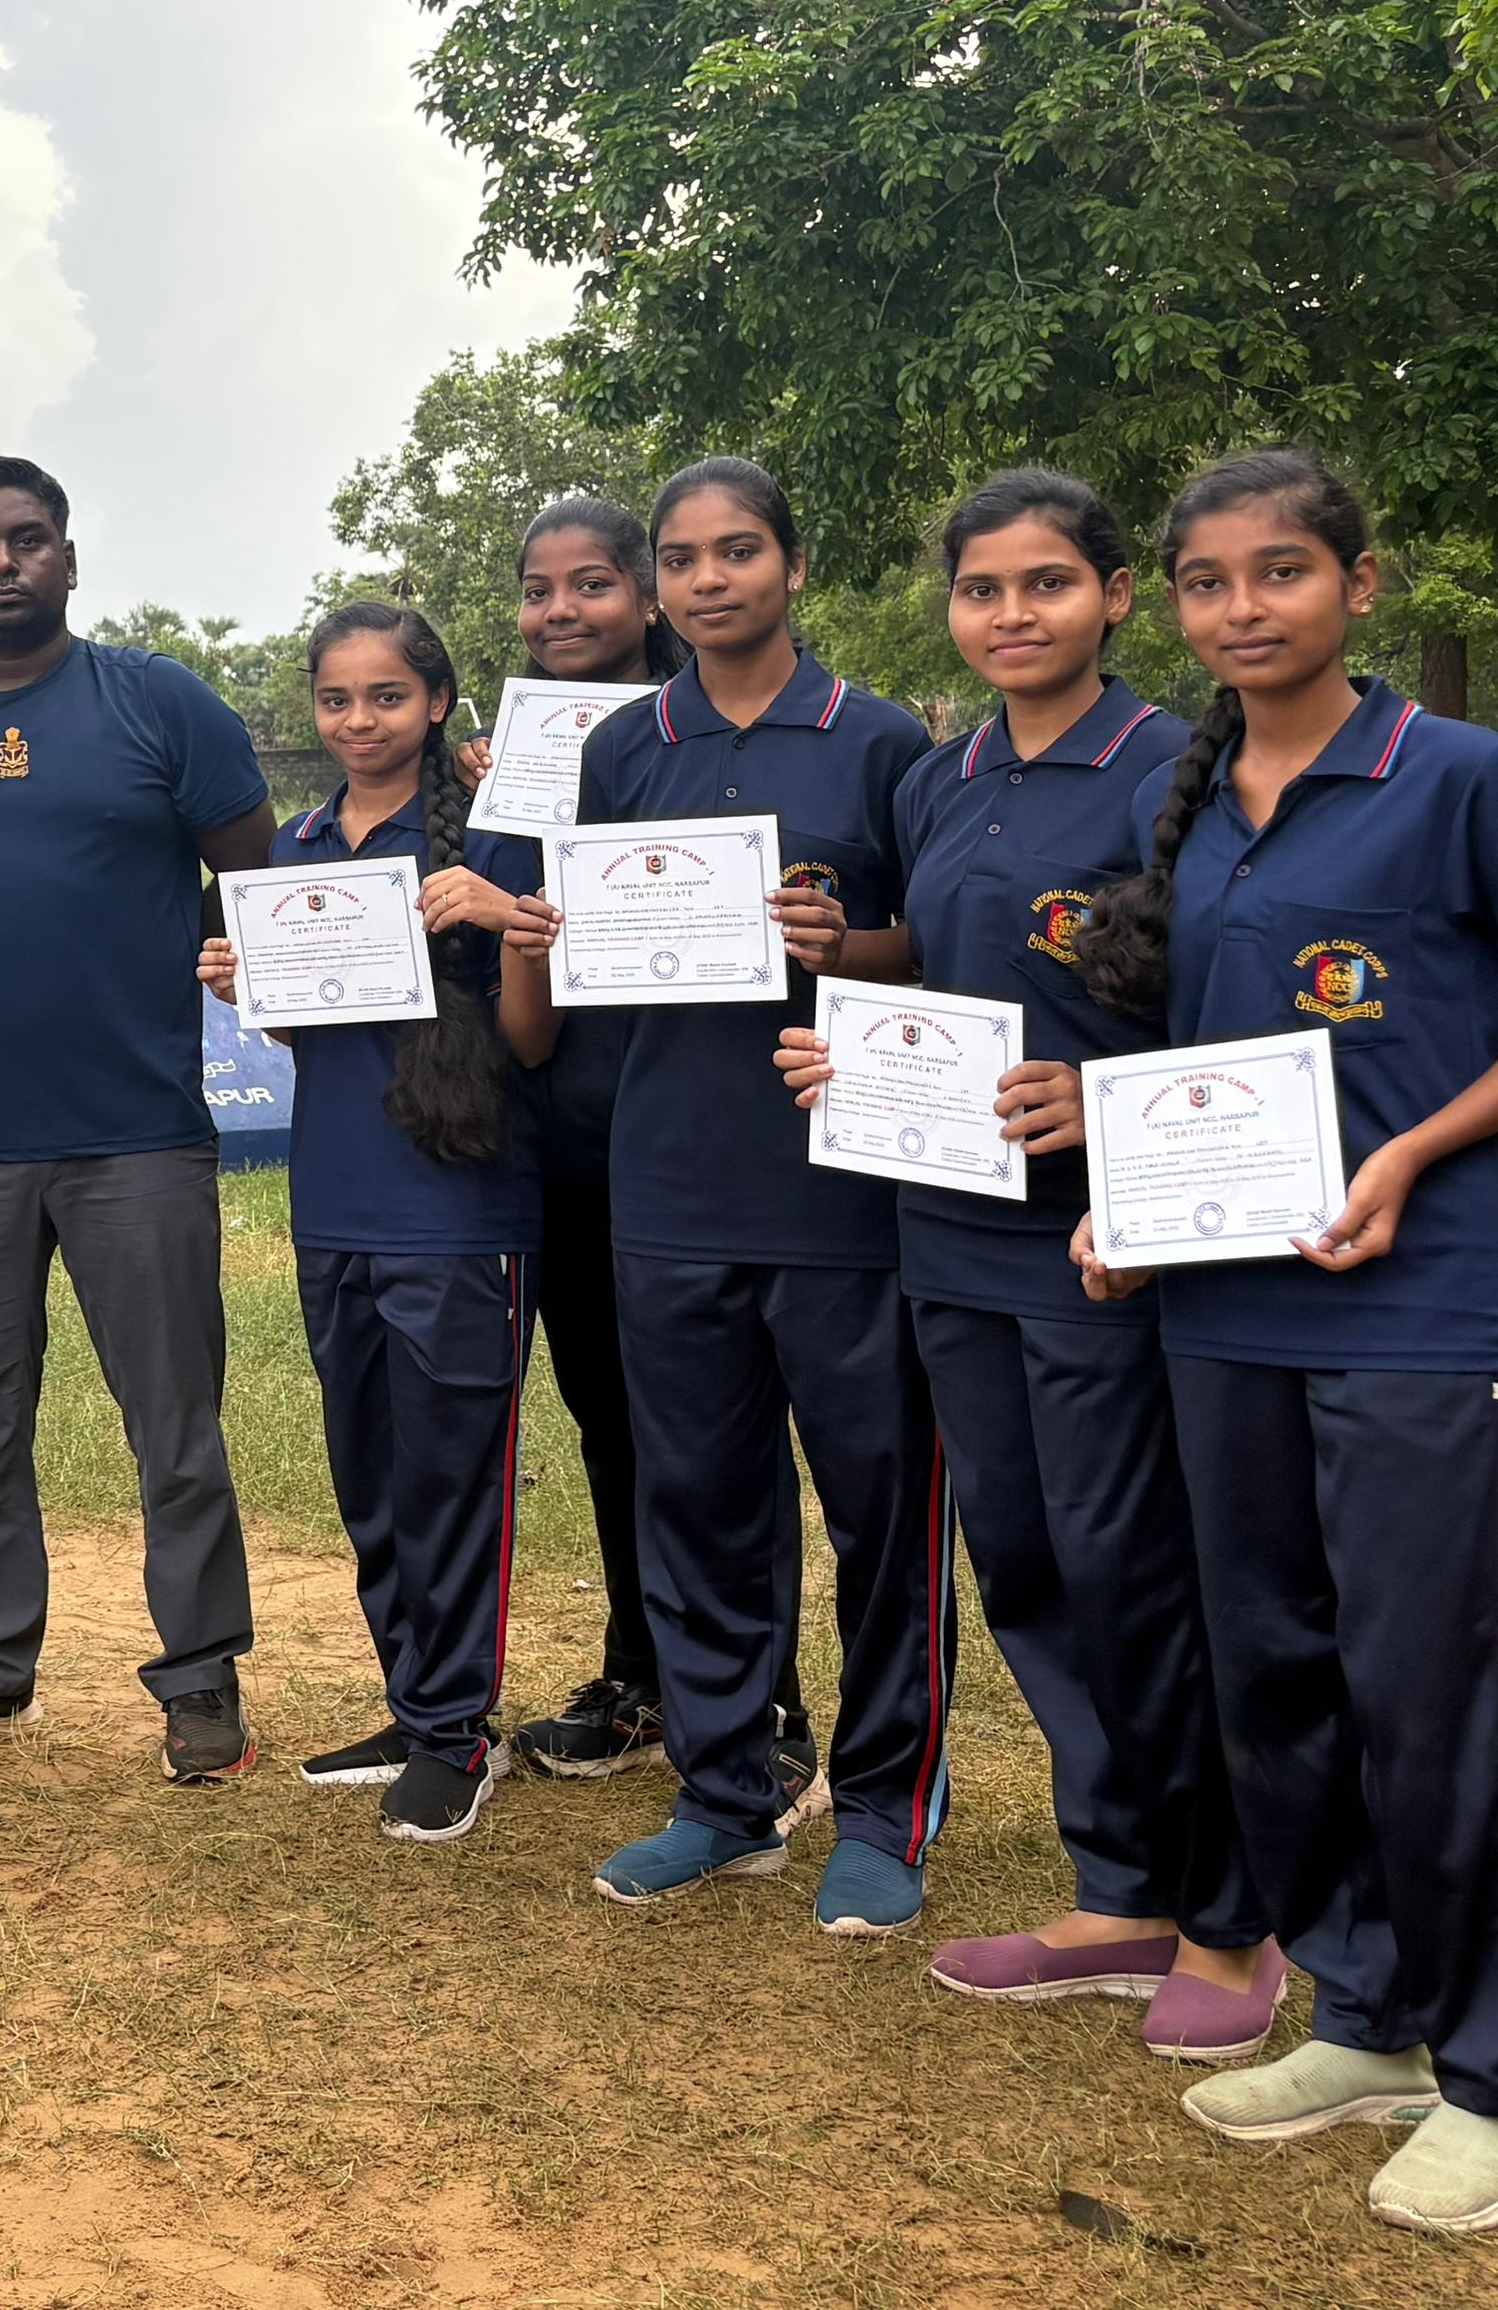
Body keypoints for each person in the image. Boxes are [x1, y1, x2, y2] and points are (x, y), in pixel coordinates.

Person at [764, 470, 1275, 2056]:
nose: (1011, 615)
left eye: (1046, 583)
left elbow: (1245, 1014)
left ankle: (1230, 1919)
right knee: (1029, 1566)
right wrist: (846, 1008)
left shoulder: (1179, 773)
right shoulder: (943, 775)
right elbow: (934, 957)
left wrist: (1101, 1108)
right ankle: (1116, 1892)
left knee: (1136, 1568)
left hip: (1104, 1242)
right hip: (946, 1233)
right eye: (982, 590)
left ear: (1115, 596)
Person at [1070, 449, 1498, 2235]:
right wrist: (1125, 1201)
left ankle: (1487, 2067)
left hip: (1421, 1299)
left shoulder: (1454, 777)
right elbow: (1188, 1066)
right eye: (1208, 582)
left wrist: (1407, 1155)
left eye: (1282, 572)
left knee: (1432, 1682)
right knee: (1275, 1667)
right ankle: (1367, 2015)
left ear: (1357, 584)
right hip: (1224, 1306)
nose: (1243, 609)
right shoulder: (1180, 799)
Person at [0, 455, 274, 1776]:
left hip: (138, 1130)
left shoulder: (156, 701)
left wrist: (164, 950)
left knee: (174, 1426)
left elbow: (250, 867)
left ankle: (200, 1681)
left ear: (68, 559)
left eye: (27, 539)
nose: (3, 561)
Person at [570, 456, 944, 1933]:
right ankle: (726, 1794)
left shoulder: (881, 739)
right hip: (667, 1181)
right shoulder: (624, 746)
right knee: (700, 1504)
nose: (707, 579)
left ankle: (885, 1809)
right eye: (680, 559)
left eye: (737, 551)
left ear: (792, 565)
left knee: (881, 1512)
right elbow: (599, 955)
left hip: (842, 1189)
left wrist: (843, 946)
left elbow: (933, 944)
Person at [199, 604, 552, 1840]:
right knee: (370, 1473)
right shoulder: (297, 844)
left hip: (458, 1205)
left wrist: (507, 921)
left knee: (449, 1475)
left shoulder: (492, 835)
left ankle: (458, 1731)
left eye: (387, 696)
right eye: (336, 699)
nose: (360, 720)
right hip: (333, 1198)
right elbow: (307, 1031)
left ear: (437, 703)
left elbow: (530, 1042)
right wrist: (248, 985)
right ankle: (412, 1704)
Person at [485, 498, 813, 1802]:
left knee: (727, 1432)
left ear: (644, 597)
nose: (562, 610)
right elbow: (517, 949)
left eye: (593, 584)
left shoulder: (716, 737)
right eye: (539, 589)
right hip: (574, 1135)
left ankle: (767, 1700)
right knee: (613, 1422)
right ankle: (640, 1674)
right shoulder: (524, 762)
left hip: (712, 1131)